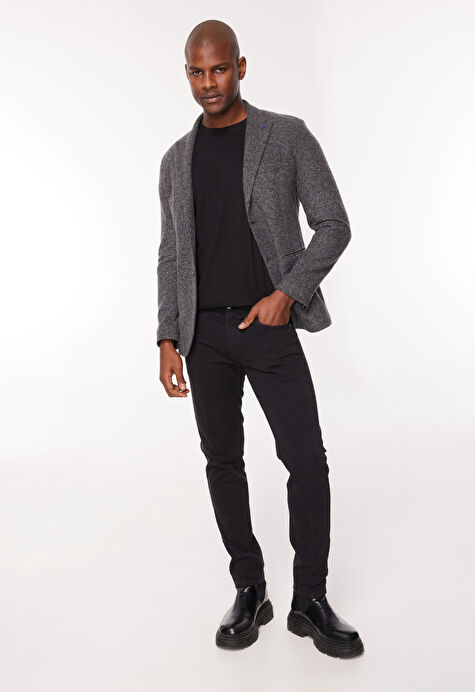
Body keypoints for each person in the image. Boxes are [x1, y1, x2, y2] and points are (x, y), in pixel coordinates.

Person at [156, 19, 364, 658]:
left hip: (267, 328)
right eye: (197, 71)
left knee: (306, 460)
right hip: (204, 338)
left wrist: (287, 294)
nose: (209, 83)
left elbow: (333, 224)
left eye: (219, 69)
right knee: (222, 462)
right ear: (186, 75)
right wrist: (167, 337)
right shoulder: (176, 160)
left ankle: (311, 599)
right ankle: (250, 589)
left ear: (240, 68)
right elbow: (171, 254)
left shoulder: (286, 136)